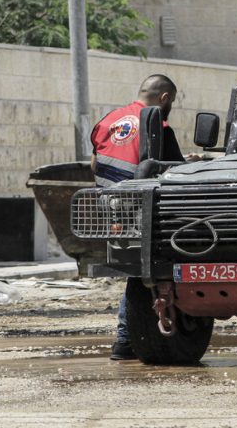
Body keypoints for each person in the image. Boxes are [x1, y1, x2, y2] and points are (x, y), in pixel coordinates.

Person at [90, 74, 191, 360]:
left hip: (109, 207)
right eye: (171, 101)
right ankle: (125, 340)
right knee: (145, 273)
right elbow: (176, 174)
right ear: (164, 98)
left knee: (137, 271)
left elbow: (95, 164)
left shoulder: (108, 119)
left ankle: (126, 342)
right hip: (140, 210)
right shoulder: (158, 126)